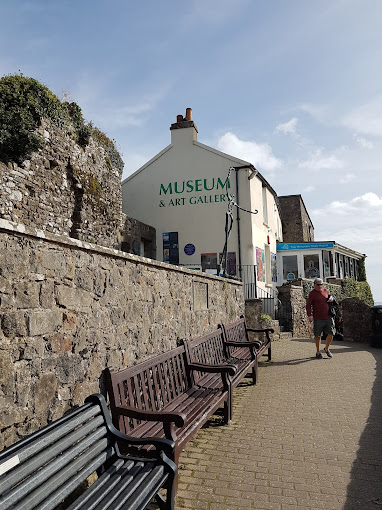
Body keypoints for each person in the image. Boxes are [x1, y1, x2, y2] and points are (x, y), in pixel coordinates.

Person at [306, 278, 336, 359]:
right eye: (318, 285)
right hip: (318, 317)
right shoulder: (312, 294)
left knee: (331, 333)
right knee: (318, 335)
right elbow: (308, 305)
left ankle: (326, 348)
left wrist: (332, 298)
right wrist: (310, 315)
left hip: (328, 316)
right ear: (314, 285)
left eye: (321, 284)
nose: (320, 286)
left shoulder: (326, 291)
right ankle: (318, 352)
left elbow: (332, 297)